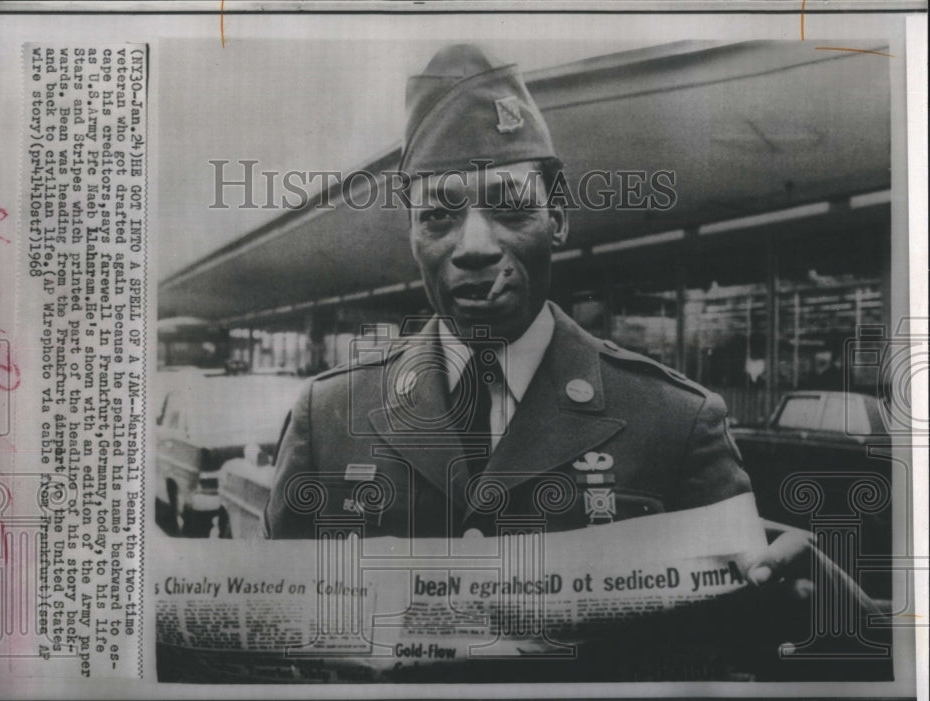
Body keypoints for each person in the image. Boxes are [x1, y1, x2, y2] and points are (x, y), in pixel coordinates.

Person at [264, 44, 864, 619]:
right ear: (412, 236)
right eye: (439, 216)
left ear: (557, 220)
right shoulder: (329, 416)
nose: (473, 246)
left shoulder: (675, 421)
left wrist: (814, 611)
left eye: (510, 207)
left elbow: (730, 649)